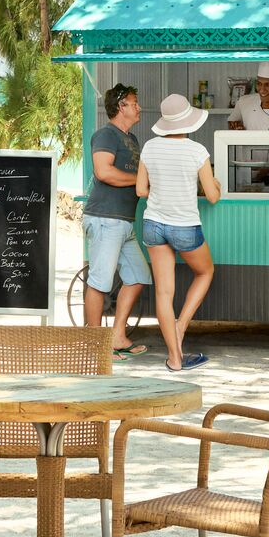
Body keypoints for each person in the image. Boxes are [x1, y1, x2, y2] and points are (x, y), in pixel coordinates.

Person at [135, 93, 222, 371]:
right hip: (184, 225)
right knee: (205, 272)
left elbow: (140, 191)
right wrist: (217, 184)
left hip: (153, 225)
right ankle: (181, 325)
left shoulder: (149, 147)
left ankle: (174, 358)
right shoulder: (197, 152)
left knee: (164, 293)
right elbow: (211, 196)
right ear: (187, 122)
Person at [81, 84, 151, 357]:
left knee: (138, 277)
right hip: (105, 219)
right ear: (121, 106)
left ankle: (117, 336)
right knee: (99, 282)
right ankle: (95, 347)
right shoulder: (105, 135)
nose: (139, 107)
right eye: (134, 103)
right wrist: (142, 180)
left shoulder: (131, 139)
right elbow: (104, 172)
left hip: (124, 222)